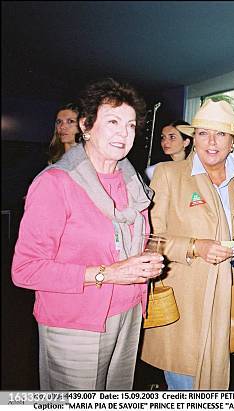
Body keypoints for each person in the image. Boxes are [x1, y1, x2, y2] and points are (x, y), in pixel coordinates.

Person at [12, 78, 164, 390]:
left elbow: (125, 241)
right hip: (76, 321)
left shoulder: (132, 181)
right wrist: (108, 273)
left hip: (130, 313)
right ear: (87, 126)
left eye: (131, 125)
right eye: (112, 122)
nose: (124, 133)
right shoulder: (56, 183)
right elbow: (25, 271)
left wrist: (146, 259)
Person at [140, 99, 234, 390]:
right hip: (186, 299)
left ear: (232, 142)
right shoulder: (169, 176)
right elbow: (150, 238)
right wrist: (195, 246)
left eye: (221, 134)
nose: (212, 142)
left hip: (231, 296)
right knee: (184, 381)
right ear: (194, 138)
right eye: (204, 133)